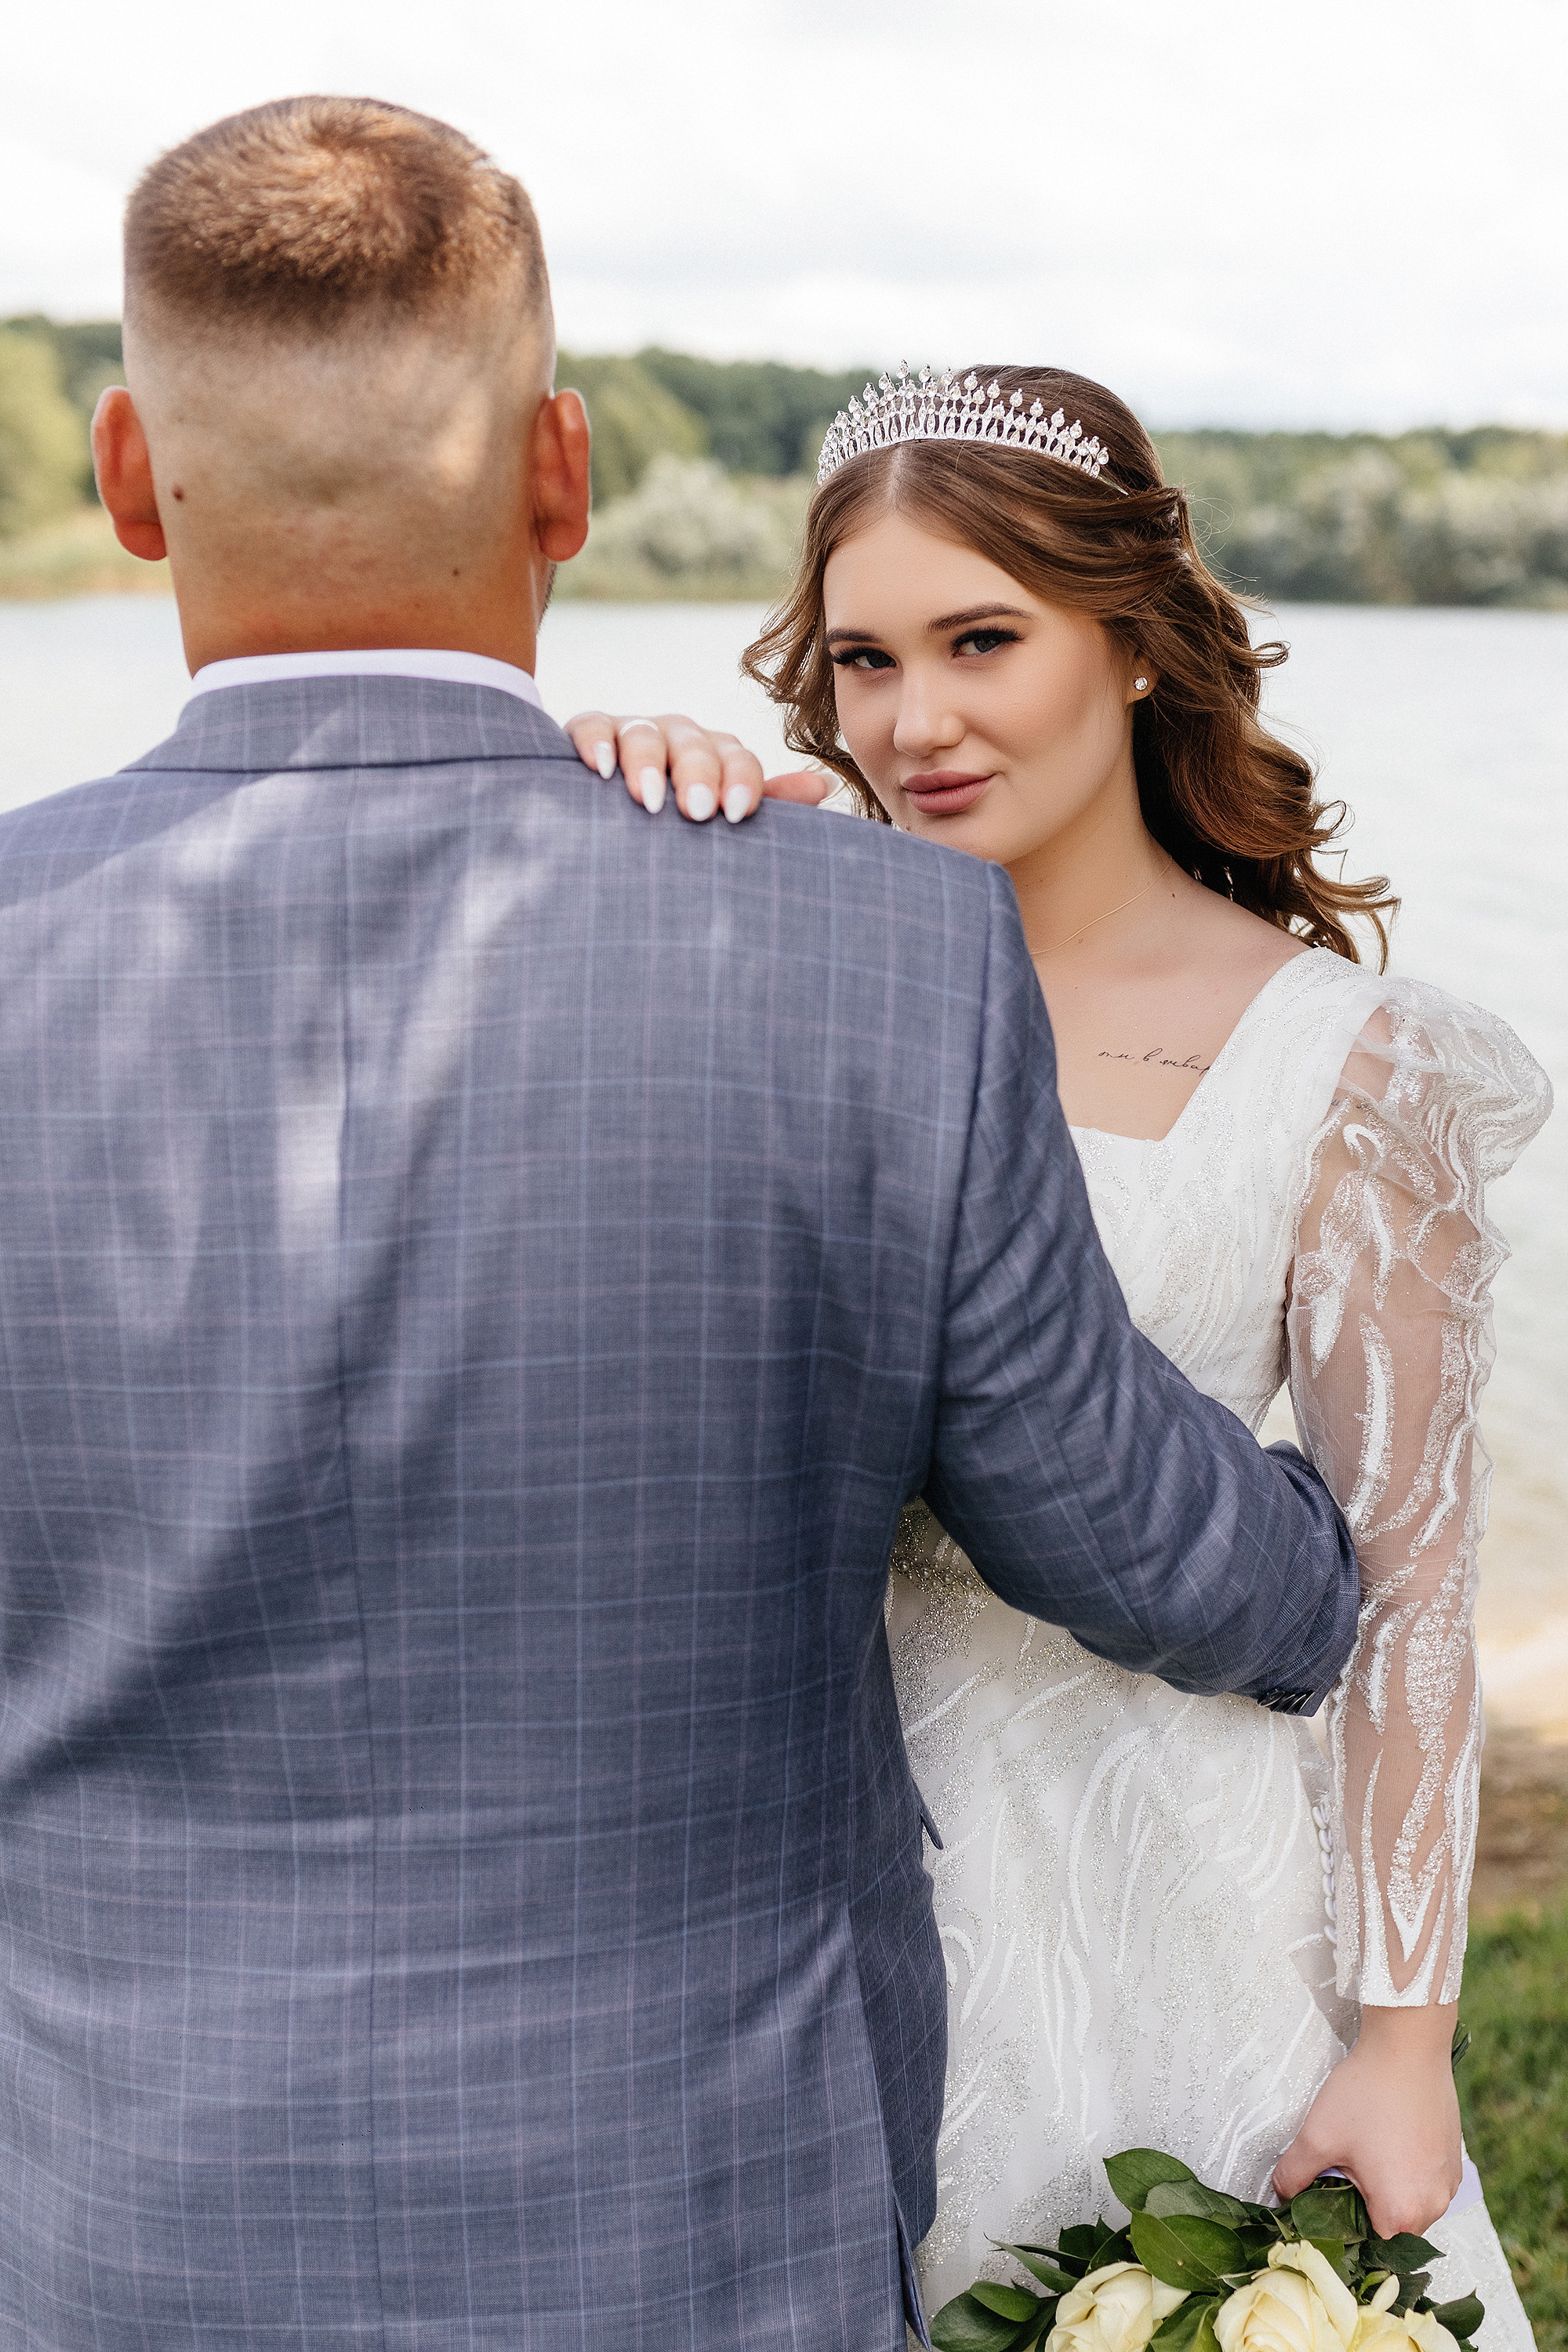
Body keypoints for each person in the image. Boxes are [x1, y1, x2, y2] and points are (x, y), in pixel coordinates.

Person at [0, 108, 1359, 2352]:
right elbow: (1121, 1531)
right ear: (563, 474)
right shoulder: (879, 953)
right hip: (702, 2228)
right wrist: (1333, 1561)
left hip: (117, 2236)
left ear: (131, 478)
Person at [565, 363, 1552, 2344]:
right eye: (862, 661)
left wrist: (1402, 2042)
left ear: (1133, 644)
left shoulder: (1345, 1065)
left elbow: (1413, 1593)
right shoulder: (773, 957)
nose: (912, 723)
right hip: (794, 1914)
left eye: (980, 642)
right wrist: (609, 828)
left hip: (1171, 1907)